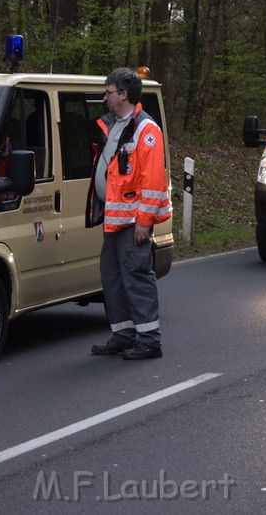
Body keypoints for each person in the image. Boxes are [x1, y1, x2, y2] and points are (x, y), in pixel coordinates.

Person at [86, 68, 172, 360]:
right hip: (115, 219)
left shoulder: (146, 130)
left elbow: (153, 181)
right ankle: (123, 334)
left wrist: (144, 222)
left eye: (108, 91)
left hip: (133, 221)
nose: (105, 97)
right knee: (112, 276)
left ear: (123, 95)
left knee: (136, 276)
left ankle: (149, 340)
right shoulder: (116, 124)